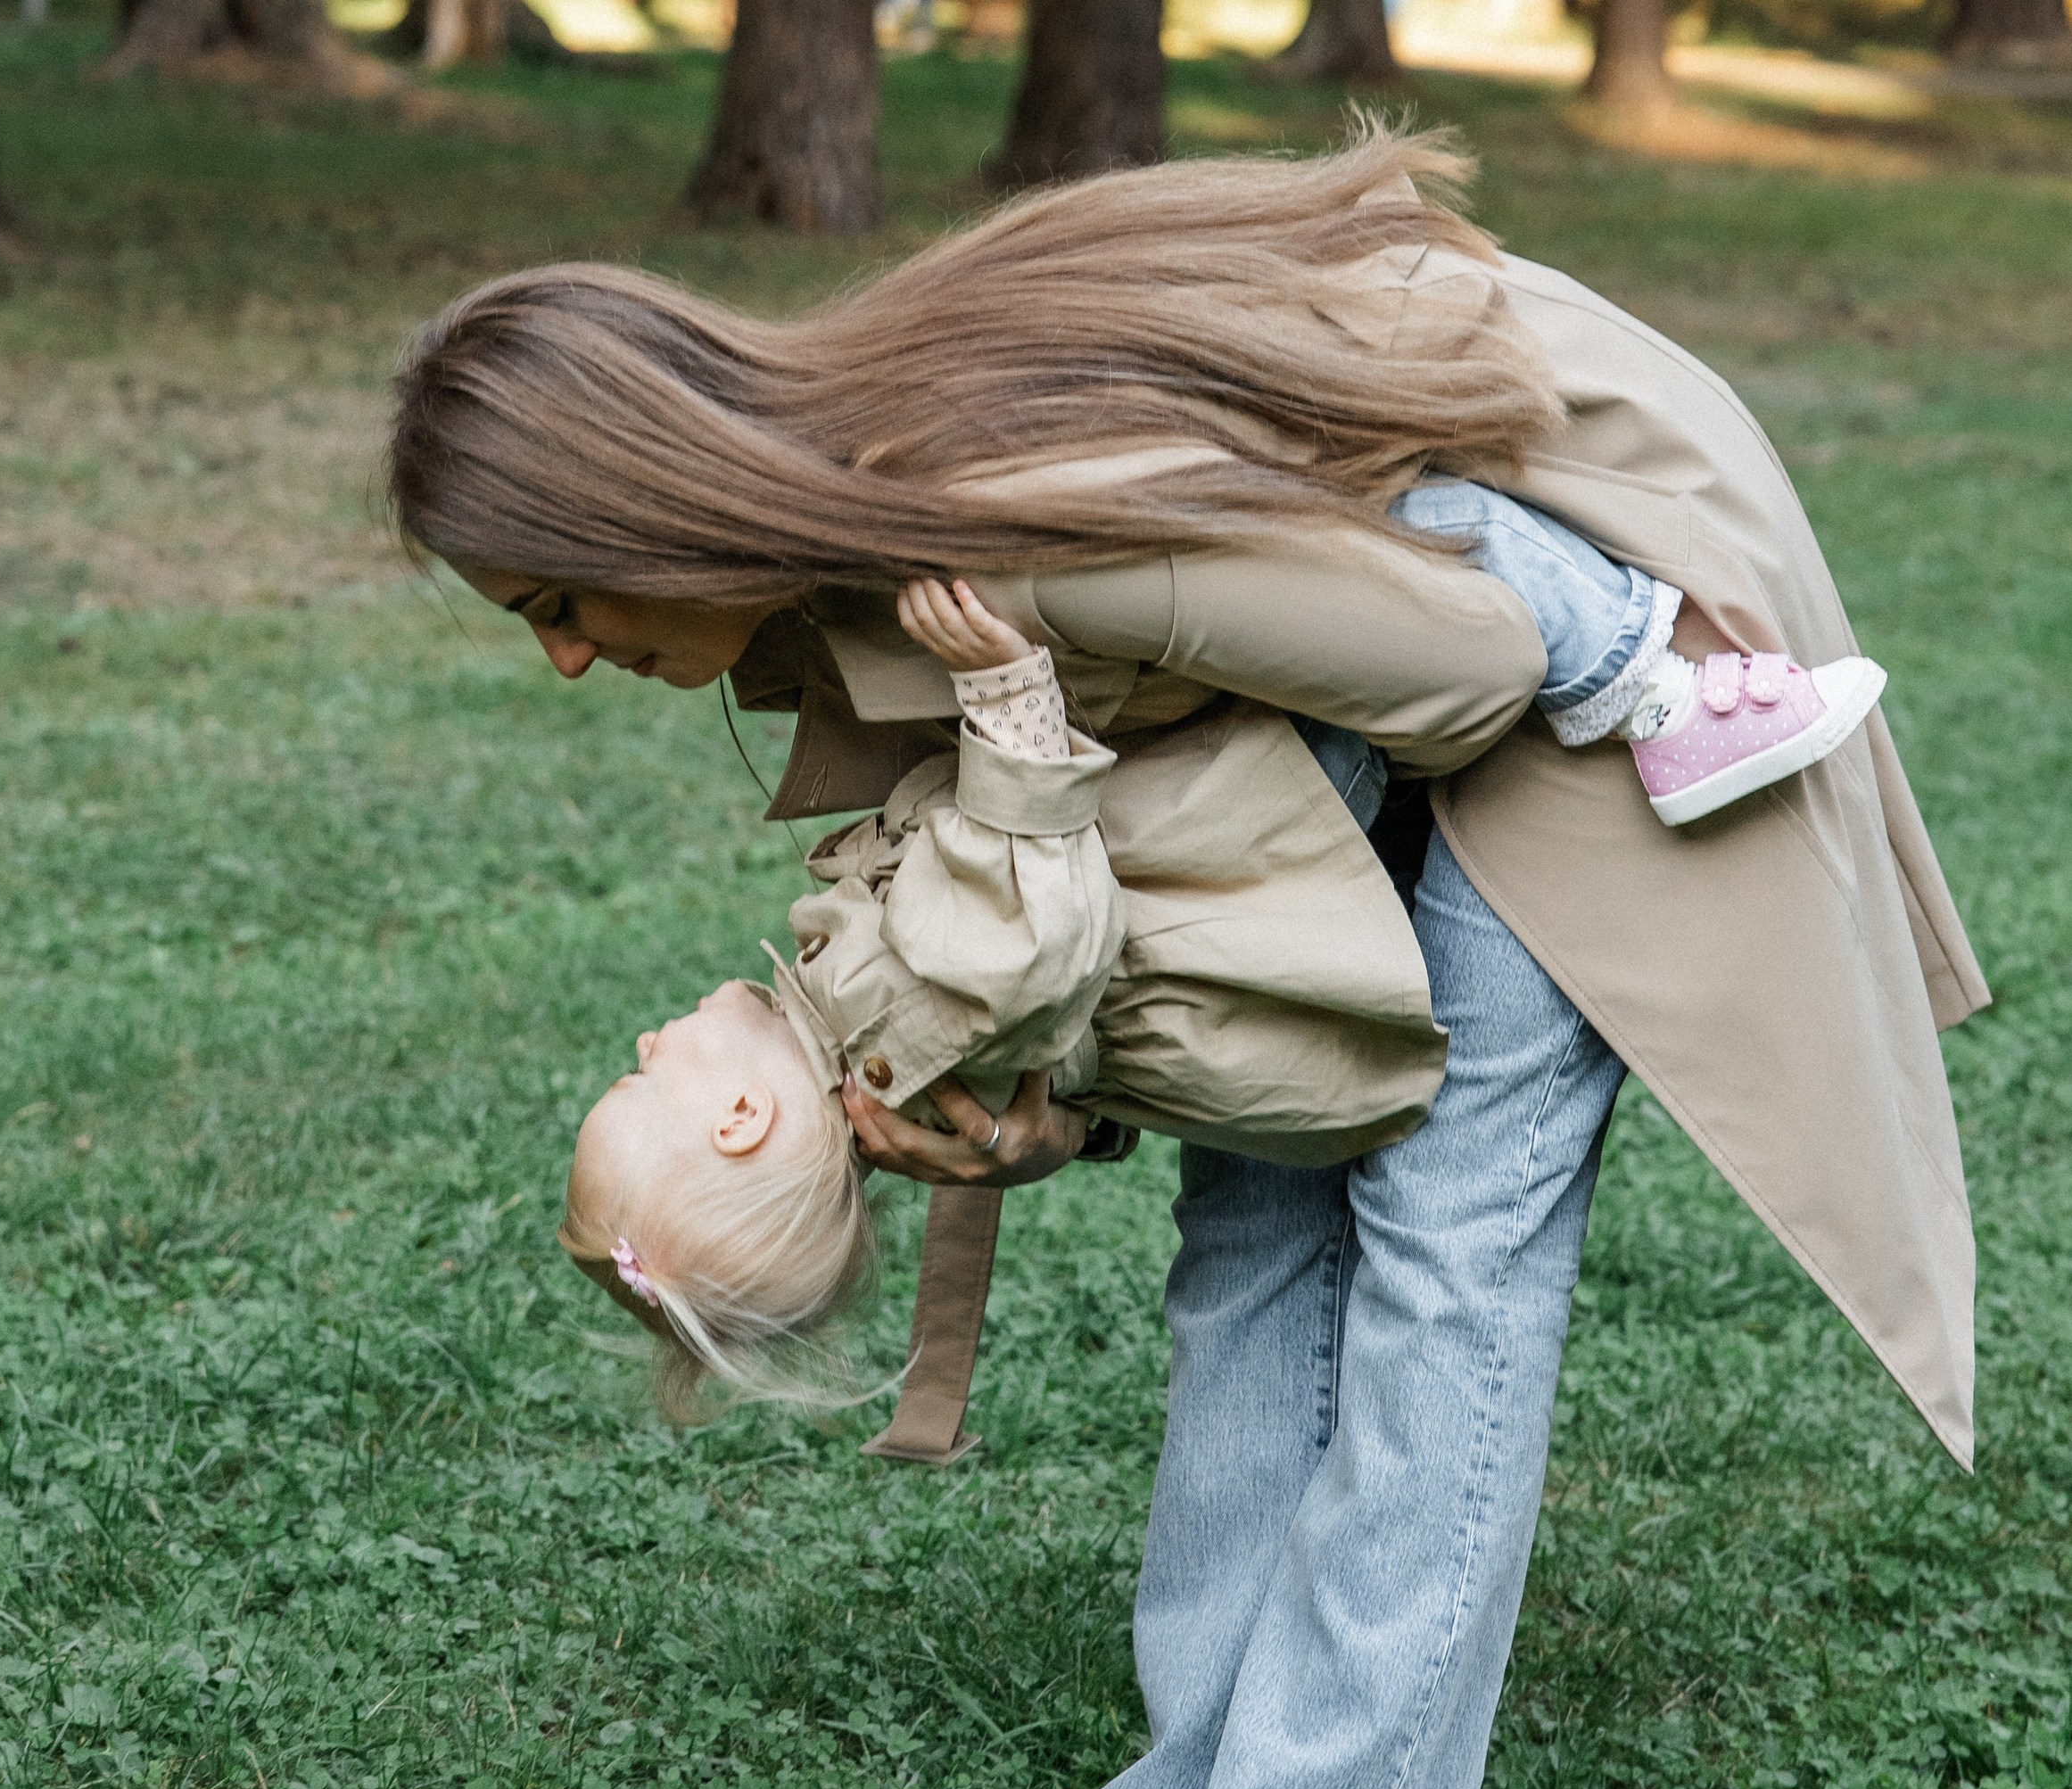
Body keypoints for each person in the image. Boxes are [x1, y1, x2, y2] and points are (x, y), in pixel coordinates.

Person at [386, 136, 1984, 1789]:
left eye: (560, 595)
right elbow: (1135, 842)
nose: (566, 657)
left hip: (1586, 651)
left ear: (652, 501)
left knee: (1442, 1244)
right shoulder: (841, 561)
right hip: (1353, 745)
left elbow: (1466, 662)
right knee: (1246, 1233)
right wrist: (1062, 1087)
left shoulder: (1007, 530)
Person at [562, 534, 1888, 1406]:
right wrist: (1009, 700)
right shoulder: (878, 1023)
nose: (644, 1048)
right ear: (740, 1121)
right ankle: (1642, 677)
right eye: (641, 1085)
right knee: (1411, 526)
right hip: (1264, 813)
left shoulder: (861, 1034)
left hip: (1236, 831)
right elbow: (1034, 932)